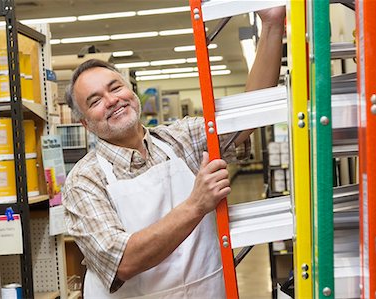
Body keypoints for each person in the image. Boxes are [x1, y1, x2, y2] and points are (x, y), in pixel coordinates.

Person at [63, 6, 285, 298]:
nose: (112, 100)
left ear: (130, 90)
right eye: (95, 101)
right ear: (85, 124)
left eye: (115, 87)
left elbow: (247, 117)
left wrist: (272, 25)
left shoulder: (179, 140)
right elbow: (123, 261)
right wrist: (196, 204)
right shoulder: (84, 181)